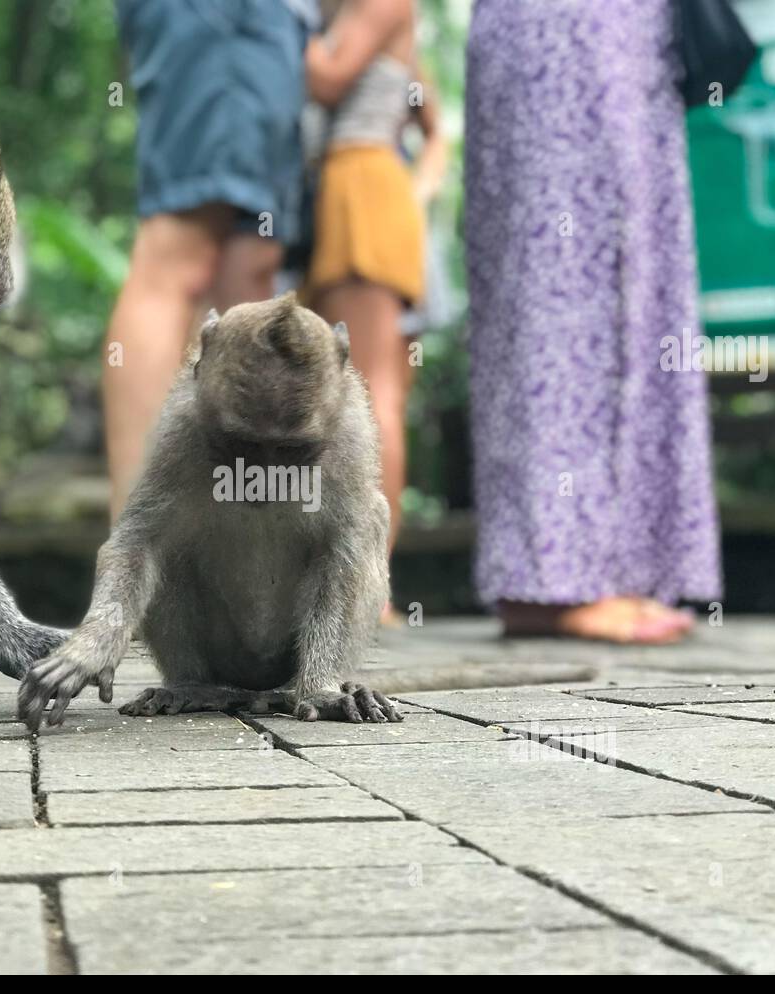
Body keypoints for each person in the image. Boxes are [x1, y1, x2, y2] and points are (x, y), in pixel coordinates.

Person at [465, 0, 721, 643]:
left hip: (614, 36)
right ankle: (554, 577)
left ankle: (600, 568)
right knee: (566, 283)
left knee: (616, 281)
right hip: (572, 33)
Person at [104, 0, 317, 516]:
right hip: (225, 16)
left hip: (271, 19)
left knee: (248, 267)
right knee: (179, 251)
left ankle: (218, 547)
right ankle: (141, 544)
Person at [304, 0, 430, 555]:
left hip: (365, 186)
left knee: (372, 384)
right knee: (343, 386)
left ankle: (371, 579)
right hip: (349, 188)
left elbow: (328, 79)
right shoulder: (346, 17)